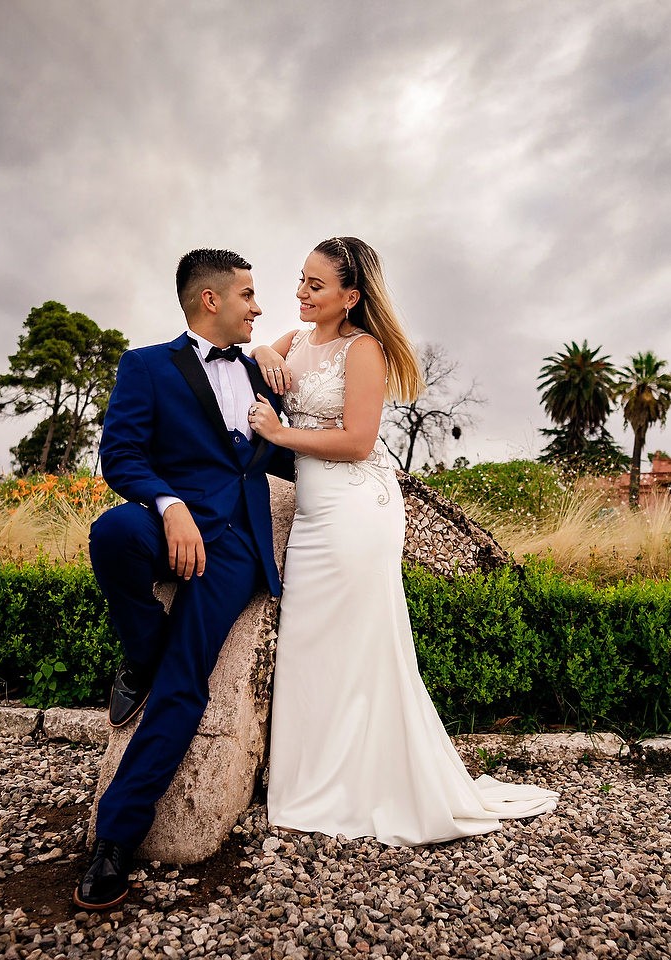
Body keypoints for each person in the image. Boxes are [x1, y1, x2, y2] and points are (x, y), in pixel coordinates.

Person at [248, 237, 557, 845]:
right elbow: (263, 349)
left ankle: (358, 787)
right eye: (300, 280)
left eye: (315, 286)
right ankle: (310, 781)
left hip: (356, 509)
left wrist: (280, 435)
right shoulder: (302, 336)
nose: (300, 293)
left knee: (356, 646)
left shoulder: (364, 351)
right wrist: (264, 350)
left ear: (351, 296)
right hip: (315, 511)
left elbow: (360, 442)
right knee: (311, 641)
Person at [75, 249, 294, 909]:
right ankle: (141, 650)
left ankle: (115, 839)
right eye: (249, 295)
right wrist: (168, 507)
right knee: (112, 532)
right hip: (172, 521)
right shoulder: (144, 366)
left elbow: (284, 453)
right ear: (211, 301)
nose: (258, 307)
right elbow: (120, 454)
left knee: (184, 677)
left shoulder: (262, 372)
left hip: (235, 547)